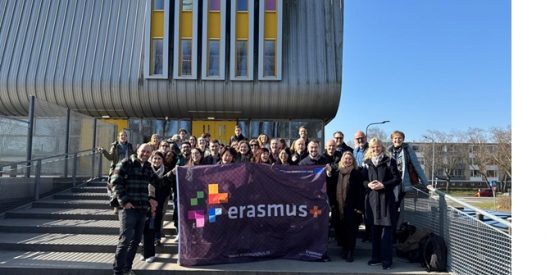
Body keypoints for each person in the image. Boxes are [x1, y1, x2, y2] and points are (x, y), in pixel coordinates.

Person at [110, 144, 171, 275]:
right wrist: (124, 201)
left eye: (148, 152)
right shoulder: (126, 163)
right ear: (137, 151)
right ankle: (118, 271)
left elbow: (159, 182)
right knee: (125, 240)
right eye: (143, 151)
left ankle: (127, 269)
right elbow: (114, 181)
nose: (145, 154)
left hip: (142, 209)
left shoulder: (148, 167)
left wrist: (172, 173)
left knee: (136, 240)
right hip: (128, 209)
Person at [363, 138, 401, 270]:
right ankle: (376, 257)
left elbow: (397, 179)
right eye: (373, 147)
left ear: (382, 147)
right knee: (375, 231)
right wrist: (368, 184)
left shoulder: (390, 161)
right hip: (372, 201)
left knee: (387, 232)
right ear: (370, 149)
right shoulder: (366, 163)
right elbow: (362, 180)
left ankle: (387, 260)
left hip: (386, 201)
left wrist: (383, 185)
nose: (375, 149)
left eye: (378, 146)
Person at [325, 151, 365, 262]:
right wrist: (332, 204)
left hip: (352, 207)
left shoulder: (357, 173)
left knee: (351, 231)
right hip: (338, 207)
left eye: (350, 159)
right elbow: (331, 188)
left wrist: (359, 208)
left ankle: (350, 251)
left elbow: (361, 192)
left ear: (353, 161)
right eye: (345, 159)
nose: (347, 161)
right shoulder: (337, 173)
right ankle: (344, 249)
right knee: (341, 230)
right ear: (342, 160)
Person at [387, 130, 430, 231]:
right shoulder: (388, 151)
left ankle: (396, 230)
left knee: (399, 207)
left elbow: (417, 166)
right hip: (391, 183)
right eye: (395, 138)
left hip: (402, 183)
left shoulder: (407, 150)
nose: (397, 140)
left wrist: (426, 183)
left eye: (399, 138)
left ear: (403, 139)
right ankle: (392, 230)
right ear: (392, 140)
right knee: (391, 208)